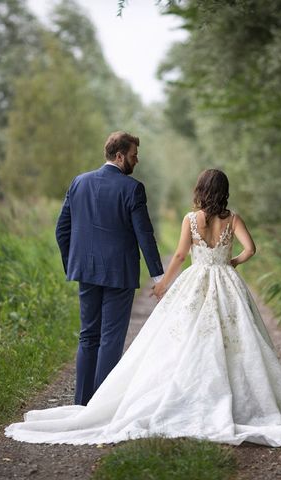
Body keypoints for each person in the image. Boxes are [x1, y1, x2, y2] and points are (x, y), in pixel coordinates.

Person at [5, 169, 281, 446]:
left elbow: (178, 254)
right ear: (224, 191)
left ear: (200, 190)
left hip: (195, 281)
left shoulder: (191, 220)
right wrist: (232, 263)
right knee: (235, 339)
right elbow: (252, 249)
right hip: (226, 282)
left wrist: (163, 282)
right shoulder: (232, 218)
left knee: (182, 339)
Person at [54, 131, 164, 406]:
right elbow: (144, 235)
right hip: (119, 273)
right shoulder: (132, 188)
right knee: (110, 338)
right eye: (133, 155)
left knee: (88, 335)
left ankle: (82, 404)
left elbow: (61, 230)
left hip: (85, 271)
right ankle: (101, 406)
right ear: (119, 156)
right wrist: (159, 276)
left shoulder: (79, 183)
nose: (136, 161)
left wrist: (73, 264)